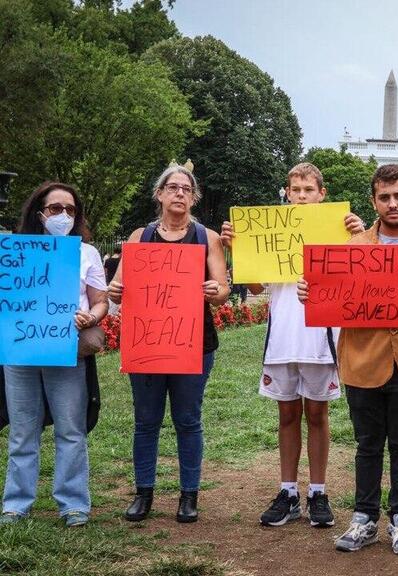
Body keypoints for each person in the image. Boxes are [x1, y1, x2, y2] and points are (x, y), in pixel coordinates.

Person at [298, 163, 398, 555]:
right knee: (367, 444)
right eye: (384, 197)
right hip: (363, 358)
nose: (392, 204)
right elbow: (333, 303)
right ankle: (364, 518)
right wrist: (312, 295)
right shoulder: (352, 249)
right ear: (374, 201)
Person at [221, 162, 363, 528]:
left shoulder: (340, 229)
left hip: (321, 338)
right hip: (283, 336)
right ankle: (287, 491)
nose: (301, 196)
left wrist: (359, 237)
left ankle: (318, 491)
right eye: (295, 190)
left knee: (318, 414)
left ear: (322, 194)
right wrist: (237, 248)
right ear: (287, 193)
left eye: (308, 190)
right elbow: (254, 288)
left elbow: (361, 277)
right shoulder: (269, 230)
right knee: (286, 415)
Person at [108, 163, 230, 524]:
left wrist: (216, 291)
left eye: (186, 189)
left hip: (194, 344)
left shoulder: (205, 237)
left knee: (188, 420)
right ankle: (143, 494)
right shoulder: (139, 237)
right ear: (159, 194)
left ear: (194, 197)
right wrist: (116, 290)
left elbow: (223, 288)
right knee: (146, 422)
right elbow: (119, 285)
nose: (179, 194)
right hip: (147, 343)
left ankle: (188, 495)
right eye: (172, 187)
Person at [0, 182, 108, 527]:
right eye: (55, 208)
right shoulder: (14, 253)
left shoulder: (86, 253)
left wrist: (91, 316)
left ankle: (74, 503)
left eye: (70, 210)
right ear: (39, 212)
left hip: (67, 349)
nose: (63, 215)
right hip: (20, 351)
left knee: (71, 428)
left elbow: (101, 301)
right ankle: (16, 503)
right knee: (21, 430)